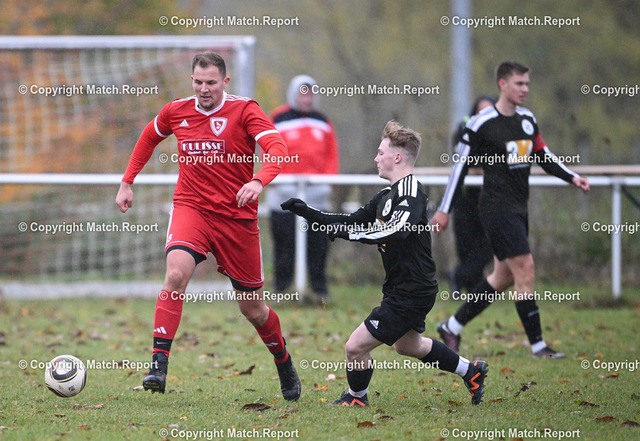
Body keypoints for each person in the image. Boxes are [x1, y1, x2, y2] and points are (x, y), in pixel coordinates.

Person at [115, 52, 301, 400]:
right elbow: (149, 137)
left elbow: (277, 148)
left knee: (253, 310)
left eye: (211, 83)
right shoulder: (176, 111)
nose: (204, 89)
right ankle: (158, 365)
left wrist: (258, 180)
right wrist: (127, 181)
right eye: (198, 82)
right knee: (175, 274)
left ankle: (283, 360)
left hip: (236, 218)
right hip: (192, 208)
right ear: (192, 81)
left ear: (225, 82)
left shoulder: (244, 110)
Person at [282, 121, 488, 407]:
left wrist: (350, 234)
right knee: (409, 345)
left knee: (355, 347)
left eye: (381, 153)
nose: (376, 158)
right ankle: (471, 371)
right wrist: (309, 213)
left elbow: (396, 230)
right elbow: (351, 220)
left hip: (412, 290)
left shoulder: (412, 191)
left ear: (397, 157)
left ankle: (356, 398)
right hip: (403, 287)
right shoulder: (386, 195)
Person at [431, 61, 590, 358]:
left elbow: (543, 155)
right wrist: (444, 209)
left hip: (519, 208)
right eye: (519, 83)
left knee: (502, 277)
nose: (525, 89)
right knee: (526, 268)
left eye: (527, 83)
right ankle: (539, 346)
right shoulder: (480, 123)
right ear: (502, 84)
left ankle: (451, 326)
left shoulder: (527, 120)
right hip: (496, 209)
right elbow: (459, 169)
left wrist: (572, 177)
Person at [266, 75, 340, 303]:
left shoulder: (323, 121)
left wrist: (327, 183)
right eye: (302, 93)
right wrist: (275, 177)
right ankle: (282, 290)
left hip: (316, 194)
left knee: (318, 245)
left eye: (310, 94)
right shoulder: (278, 117)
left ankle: (319, 291)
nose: (307, 99)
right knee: (285, 244)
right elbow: (268, 149)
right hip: (284, 192)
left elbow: (331, 155)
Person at [448, 96, 496, 294]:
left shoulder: (503, 130)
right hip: (466, 196)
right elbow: (464, 159)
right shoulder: (464, 130)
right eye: (480, 110)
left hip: (490, 197)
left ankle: (459, 276)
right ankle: (472, 286)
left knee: (491, 242)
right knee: (465, 243)